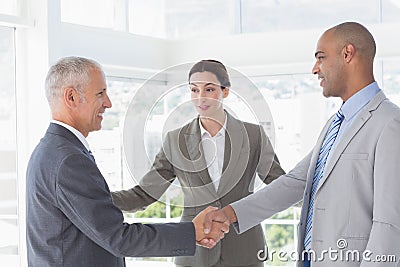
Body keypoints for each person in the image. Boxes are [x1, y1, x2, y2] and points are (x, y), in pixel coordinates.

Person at [203, 22, 400, 267]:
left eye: (321, 57)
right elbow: (295, 182)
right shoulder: (336, 123)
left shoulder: (390, 123)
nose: (315, 69)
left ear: (347, 54)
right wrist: (229, 214)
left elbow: (390, 224)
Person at [26, 56, 229, 267]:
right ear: (71, 97)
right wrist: (191, 231)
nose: (108, 102)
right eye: (100, 93)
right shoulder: (68, 159)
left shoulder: (52, 151)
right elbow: (119, 238)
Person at [111, 59, 285, 266]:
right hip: (194, 254)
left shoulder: (253, 135)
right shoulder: (175, 140)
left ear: (225, 91)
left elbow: (280, 186)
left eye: (209, 89)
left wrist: (316, 191)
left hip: (244, 250)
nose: (200, 97)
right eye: (194, 90)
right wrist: (94, 198)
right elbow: (144, 194)